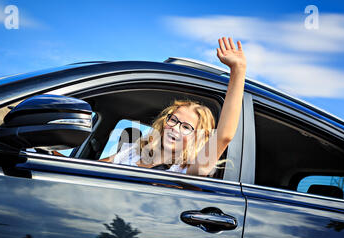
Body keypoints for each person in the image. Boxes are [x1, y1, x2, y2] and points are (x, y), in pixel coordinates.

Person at [101, 37, 246, 176]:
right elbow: (91, 172)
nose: (175, 128)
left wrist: (238, 69)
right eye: (173, 120)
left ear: (198, 137)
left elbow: (224, 136)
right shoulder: (133, 151)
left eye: (186, 127)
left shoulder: (187, 171)